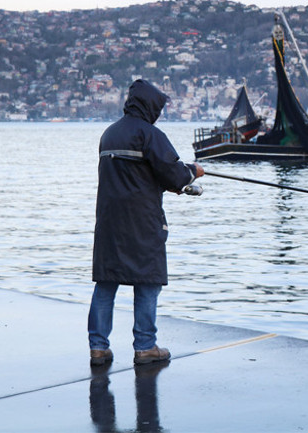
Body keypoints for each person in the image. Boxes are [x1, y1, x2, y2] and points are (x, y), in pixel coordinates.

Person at [89, 79, 204, 366]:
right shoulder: (150, 134)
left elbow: (136, 175)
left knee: (106, 283)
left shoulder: (109, 134)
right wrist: (193, 171)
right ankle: (145, 347)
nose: (159, 114)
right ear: (149, 105)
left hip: (109, 223)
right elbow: (173, 174)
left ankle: (98, 347)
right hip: (142, 223)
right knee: (148, 282)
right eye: (158, 108)